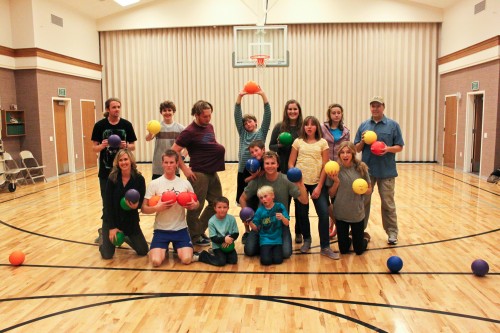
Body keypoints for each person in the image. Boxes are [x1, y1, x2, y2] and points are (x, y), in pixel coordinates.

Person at [171, 100, 225, 247]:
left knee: (217, 203)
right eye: (205, 116)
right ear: (196, 115)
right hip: (199, 173)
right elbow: (174, 150)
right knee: (196, 206)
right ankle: (194, 237)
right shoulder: (189, 131)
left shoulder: (209, 127)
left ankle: (197, 230)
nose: (208, 119)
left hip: (212, 171)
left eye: (210, 116)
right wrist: (185, 169)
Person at [354, 96, 404, 245]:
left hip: (386, 172)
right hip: (366, 171)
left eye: (378, 106)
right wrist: (363, 140)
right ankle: (359, 230)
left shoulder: (393, 125)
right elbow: (356, 148)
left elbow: (400, 146)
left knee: (388, 203)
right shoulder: (364, 126)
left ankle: (392, 232)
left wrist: (387, 149)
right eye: (373, 106)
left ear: (383, 107)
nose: (375, 108)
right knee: (363, 202)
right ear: (370, 108)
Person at [239, 151, 308, 259]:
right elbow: (242, 198)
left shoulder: (286, 180)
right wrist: (246, 213)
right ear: (263, 165)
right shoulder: (258, 180)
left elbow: (304, 201)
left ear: (278, 164)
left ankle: (270, 246)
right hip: (261, 224)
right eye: (267, 163)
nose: (270, 166)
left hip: (280, 225)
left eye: (273, 163)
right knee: (249, 250)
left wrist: (301, 184)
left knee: (286, 254)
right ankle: (266, 246)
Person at [288, 116, 339, 260]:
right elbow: (291, 163)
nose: (309, 127)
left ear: (317, 127)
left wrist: (320, 186)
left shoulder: (323, 143)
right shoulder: (297, 142)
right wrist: (297, 179)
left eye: (312, 125)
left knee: (323, 213)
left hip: (318, 183)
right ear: (303, 127)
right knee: (302, 214)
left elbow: (325, 165)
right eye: (306, 125)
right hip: (300, 183)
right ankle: (307, 240)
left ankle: (325, 246)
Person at [141, 149, 200, 266]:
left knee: (187, 260)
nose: (169, 165)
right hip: (161, 230)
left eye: (172, 162)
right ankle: (163, 248)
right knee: (156, 262)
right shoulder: (154, 184)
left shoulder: (185, 184)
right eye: (166, 162)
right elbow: (143, 208)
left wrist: (194, 205)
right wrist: (157, 208)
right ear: (162, 164)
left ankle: (176, 248)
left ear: (177, 164)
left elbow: (196, 203)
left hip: (180, 229)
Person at [92, 97, 137, 244]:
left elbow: (133, 146)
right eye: (114, 107)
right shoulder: (99, 126)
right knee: (107, 204)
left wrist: (125, 145)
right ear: (107, 109)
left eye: (118, 107)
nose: (117, 109)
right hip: (105, 173)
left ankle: (126, 231)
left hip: (123, 172)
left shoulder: (126, 125)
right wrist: (103, 145)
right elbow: (94, 148)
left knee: (124, 202)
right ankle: (105, 232)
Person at [100, 149, 149, 259]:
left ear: (131, 160)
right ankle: (103, 236)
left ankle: (126, 236)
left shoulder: (139, 179)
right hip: (112, 219)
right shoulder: (112, 178)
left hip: (130, 220)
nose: (123, 162)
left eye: (125, 159)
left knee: (143, 251)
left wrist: (137, 205)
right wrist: (112, 227)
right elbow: (107, 204)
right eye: (120, 160)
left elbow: (141, 201)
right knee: (107, 255)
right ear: (117, 163)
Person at [268, 99, 304, 243]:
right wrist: (280, 145)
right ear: (286, 111)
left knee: (300, 204)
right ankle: (284, 231)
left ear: (299, 111)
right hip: (283, 170)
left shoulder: (303, 128)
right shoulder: (279, 127)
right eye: (290, 109)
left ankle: (299, 232)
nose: (292, 112)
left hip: (299, 170)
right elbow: (271, 146)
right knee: (284, 203)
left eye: (295, 109)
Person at [327, 142, 372, 255]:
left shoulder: (361, 168)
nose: (345, 155)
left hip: (356, 213)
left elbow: (369, 190)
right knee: (344, 250)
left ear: (353, 153)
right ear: (339, 154)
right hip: (341, 214)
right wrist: (336, 182)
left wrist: (362, 190)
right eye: (342, 152)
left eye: (348, 152)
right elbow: (331, 194)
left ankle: (365, 238)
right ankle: (350, 238)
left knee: (359, 250)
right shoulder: (334, 169)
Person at [234, 89, 271, 206]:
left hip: (258, 171)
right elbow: (237, 114)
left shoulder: (261, 133)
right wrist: (240, 97)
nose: (247, 124)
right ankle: (246, 222)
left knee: (257, 200)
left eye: (250, 121)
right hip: (243, 171)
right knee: (243, 201)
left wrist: (263, 95)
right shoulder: (242, 133)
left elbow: (267, 115)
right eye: (245, 123)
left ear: (256, 122)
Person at [320, 103, 351, 240]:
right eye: (334, 113)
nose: (336, 115)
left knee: (335, 200)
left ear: (342, 114)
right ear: (330, 114)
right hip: (323, 167)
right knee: (325, 200)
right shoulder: (322, 128)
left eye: (339, 112)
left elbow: (347, 149)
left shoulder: (346, 131)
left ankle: (335, 226)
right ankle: (334, 223)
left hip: (338, 169)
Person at [248, 186, 290, 266]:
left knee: (278, 261)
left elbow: (287, 223)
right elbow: (255, 228)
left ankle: (267, 252)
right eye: (261, 198)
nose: (263, 199)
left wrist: (282, 218)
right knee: (266, 262)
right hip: (265, 240)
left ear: (273, 195)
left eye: (265, 196)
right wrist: (249, 222)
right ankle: (261, 249)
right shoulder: (260, 211)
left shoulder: (280, 207)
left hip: (277, 239)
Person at [192, 197, 239, 266]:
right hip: (217, 246)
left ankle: (216, 254)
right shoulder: (212, 221)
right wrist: (224, 239)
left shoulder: (231, 219)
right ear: (215, 208)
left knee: (233, 261)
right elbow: (213, 238)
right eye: (219, 207)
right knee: (221, 262)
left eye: (224, 207)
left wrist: (229, 239)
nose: (222, 210)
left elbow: (236, 233)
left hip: (229, 244)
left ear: (228, 208)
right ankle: (202, 255)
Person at [145, 100, 185, 180]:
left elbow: (188, 145)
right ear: (161, 112)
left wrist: (182, 157)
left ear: (173, 112)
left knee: (173, 190)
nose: (167, 112)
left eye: (169, 110)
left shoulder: (180, 128)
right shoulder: (157, 127)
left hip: (174, 166)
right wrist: (150, 132)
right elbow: (148, 139)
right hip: (158, 166)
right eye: (164, 110)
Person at [240, 139, 266, 243]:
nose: (254, 154)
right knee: (247, 209)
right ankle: (247, 231)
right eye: (252, 152)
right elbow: (245, 180)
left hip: (264, 190)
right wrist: (255, 175)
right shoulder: (250, 164)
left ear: (263, 150)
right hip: (251, 189)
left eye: (256, 150)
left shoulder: (268, 160)